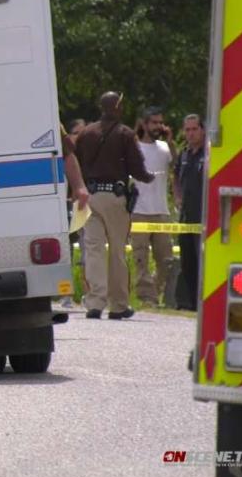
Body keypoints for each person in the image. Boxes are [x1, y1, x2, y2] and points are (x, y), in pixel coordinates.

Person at [75, 92, 154, 320]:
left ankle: (95, 302)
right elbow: (137, 168)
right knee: (117, 251)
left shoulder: (86, 133)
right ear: (117, 107)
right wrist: (149, 178)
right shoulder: (125, 134)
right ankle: (118, 305)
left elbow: (75, 163)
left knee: (93, 250)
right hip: (115, 196)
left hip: (89, 197)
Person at [131, 107, 177, 306]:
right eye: (154, 122)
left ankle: (159, 292)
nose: (159, 126)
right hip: (139, 211)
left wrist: (171, 142)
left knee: (166, 258)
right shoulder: (134, 147)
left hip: (161, 211)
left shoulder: (165, 148)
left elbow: (177, 165)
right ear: (144, 124)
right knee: (140, 257)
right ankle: (147, 298)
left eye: (161, 122)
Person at [174, 114, 206, 311]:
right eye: (187, 130)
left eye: (194, 129)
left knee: (202, 260)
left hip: (204, 217)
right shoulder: (184, 154)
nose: (191, 133)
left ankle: (204, 302)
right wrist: (177, 196)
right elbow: (175, 176)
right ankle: (191, 303)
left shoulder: (210, 153)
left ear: (202, 129)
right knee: (187, 262)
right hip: (186, 217)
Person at [59, 120, 90, 308]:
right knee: (66, 250)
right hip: (65, 204)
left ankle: (89, 293)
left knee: (87, 249)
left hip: (82, 204)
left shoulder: (91, 152)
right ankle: (66, 293)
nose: (81, 137)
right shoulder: (66, 153)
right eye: (77, 133)